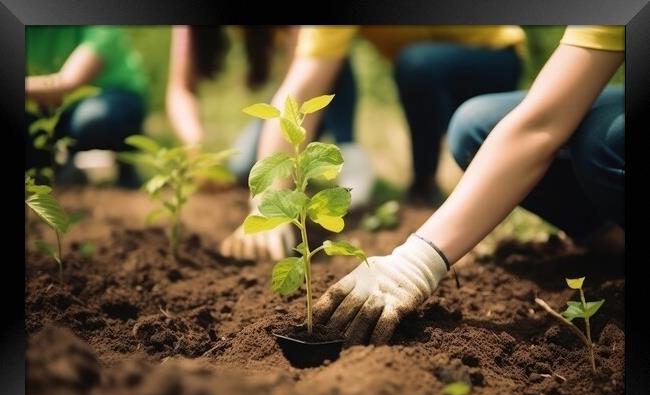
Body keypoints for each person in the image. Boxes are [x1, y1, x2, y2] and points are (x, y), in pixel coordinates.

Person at [311, 26, 624, 346]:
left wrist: (416, 263)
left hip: (496, 57)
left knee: (605, 145)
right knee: (475, 127)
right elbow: (544, 118)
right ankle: (612, 239)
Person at [220, 25, 527, 261]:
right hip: (428, 64)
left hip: (494, 57)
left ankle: (425, 187)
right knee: (398, 63)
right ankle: (422, 190)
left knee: (416, 63)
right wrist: (268, 204)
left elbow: (296, 97)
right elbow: (297, 94)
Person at [165, 26, 361, 183]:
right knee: (244, 168)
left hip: (311, 78)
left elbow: (297, 91)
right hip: (290, 89)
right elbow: (179, 89)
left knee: (327, 58)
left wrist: (273, 198)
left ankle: (349, 149)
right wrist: (195, 146)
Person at [26, 26, 148, 188]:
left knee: (92, 121)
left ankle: (118, 163)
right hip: (46, 110)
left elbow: (67, 84)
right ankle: (57, 166)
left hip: (110, 99)